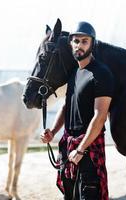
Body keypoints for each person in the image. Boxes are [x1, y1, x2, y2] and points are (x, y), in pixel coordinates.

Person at [40, 21, 114, 200]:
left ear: (92, 44)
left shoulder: (101, 74)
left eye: (84, 41)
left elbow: (100, 116)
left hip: (88, 151)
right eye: (76, 41)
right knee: (69, 196)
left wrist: (81, 150)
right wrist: (53, 132)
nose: (79, 45)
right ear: (71, 44)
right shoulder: (74, 73)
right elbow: (67, 106)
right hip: (68, 149)